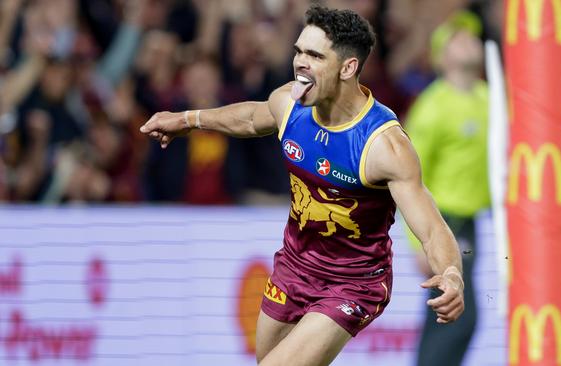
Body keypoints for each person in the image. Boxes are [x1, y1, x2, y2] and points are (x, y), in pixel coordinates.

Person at [140, 5, 464, 366]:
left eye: (313, 55)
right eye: (298, 51)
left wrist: (451, 273)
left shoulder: (383, 146)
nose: (299, 63)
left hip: (353, 283)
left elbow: (432, 230)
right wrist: (188, 119)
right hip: (294, 267)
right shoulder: (291, 104)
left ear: (348, 67)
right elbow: (251, 118)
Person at [404, 10, 490, 366]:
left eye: (472, 35)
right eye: (458, 38)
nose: (470, 40)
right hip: (444, 224)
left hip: (470, 222)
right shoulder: (432, 108)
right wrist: (418, 242)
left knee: (446, 315)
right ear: (442, 57)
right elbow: (408, 178)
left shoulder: (490, 99)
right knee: (460, 315)